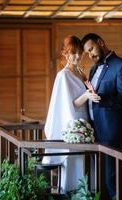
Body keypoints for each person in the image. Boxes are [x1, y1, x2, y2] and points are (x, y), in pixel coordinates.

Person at [42, 35, 100, 193]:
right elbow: (68, 104)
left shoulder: (81, 72)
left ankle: (87, 193)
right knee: (73, 160)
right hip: (73, 121)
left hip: (86, 120)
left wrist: (91, 92)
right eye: (73, 53)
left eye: (79, 52)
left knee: (85, 161)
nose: (77, 56)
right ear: (65, 54)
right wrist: (87, 95)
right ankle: (71, 193)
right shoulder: (63, 75)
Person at [81, 33, 122, 199]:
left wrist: (102, 98)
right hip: (94, 131)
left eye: (91, 49)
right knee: (99, 180)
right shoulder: (93, 69)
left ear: (101, 42)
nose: (91, 55)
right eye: (88, 53)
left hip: (111, 131)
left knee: (112, 180)